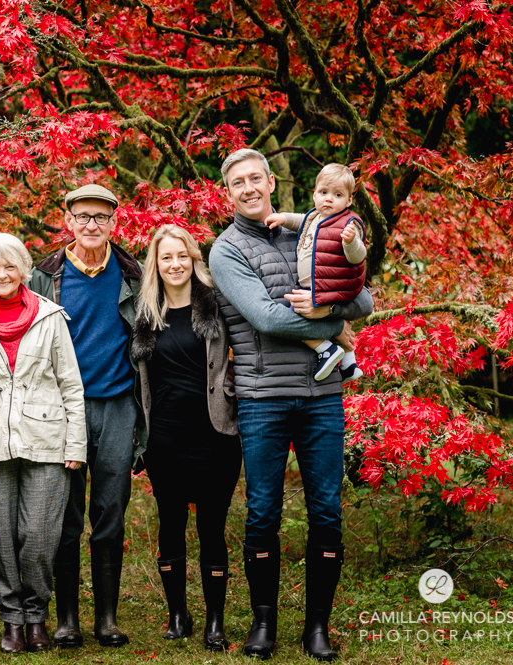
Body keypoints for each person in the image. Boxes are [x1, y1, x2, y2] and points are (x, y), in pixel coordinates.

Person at [208, 149, 374, 662]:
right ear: (228, 192)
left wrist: (340, 309)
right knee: (263, 512)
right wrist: (334, 325)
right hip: (263, 399)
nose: (250, 187)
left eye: (257, 177)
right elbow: (267, 319)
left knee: (326, 510)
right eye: (239, 182)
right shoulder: (226, 250)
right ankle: (263, 624)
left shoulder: (310, 230)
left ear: (272, 182)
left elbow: (364, 301)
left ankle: (317, 629)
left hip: (323, 396)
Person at [0, 232, 87, 653]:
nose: (1, 274)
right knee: (3, 536)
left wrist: (76, 446)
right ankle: (12, 620)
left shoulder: (50, 317)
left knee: (40, 536)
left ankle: (37, 616)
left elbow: (71, 384)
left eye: (9, 265)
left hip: (48, 439)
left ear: (24, 270)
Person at [30, 183, 142, 648]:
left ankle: (107, 619)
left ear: (114, 221)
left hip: (118, 405)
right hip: (62, 409)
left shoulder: (134, 273)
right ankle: (67, 619)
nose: (92, 225)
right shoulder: (45, 276)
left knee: (110, 510)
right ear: (69, 221)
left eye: (101, 217)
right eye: (84, 217)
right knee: (65, 514)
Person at [130, 224, 240, 650]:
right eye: (165, 257)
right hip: (166, 438)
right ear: (155, 265)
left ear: (194, 260)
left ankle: (216, 620)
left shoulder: (218, 307)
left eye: (182, 256)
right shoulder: (145, 317)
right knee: (170, 524)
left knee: (212, 527)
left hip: (215, 435)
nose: (174, 264)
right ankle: (178, 614)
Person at [263, 163, 367, 381]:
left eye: (337, 194)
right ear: (315, 195)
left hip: (331, 284)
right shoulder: (315, 218)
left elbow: (358, 256)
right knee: (317, 317)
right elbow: (301, 221)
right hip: (316, 283)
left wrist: (350, 242)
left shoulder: (348, 224)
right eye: (323, 192)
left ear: (348, 201)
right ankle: (349, 365)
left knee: (294, 310)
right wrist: (283, 217)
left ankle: (325, 349)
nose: (328, 199)